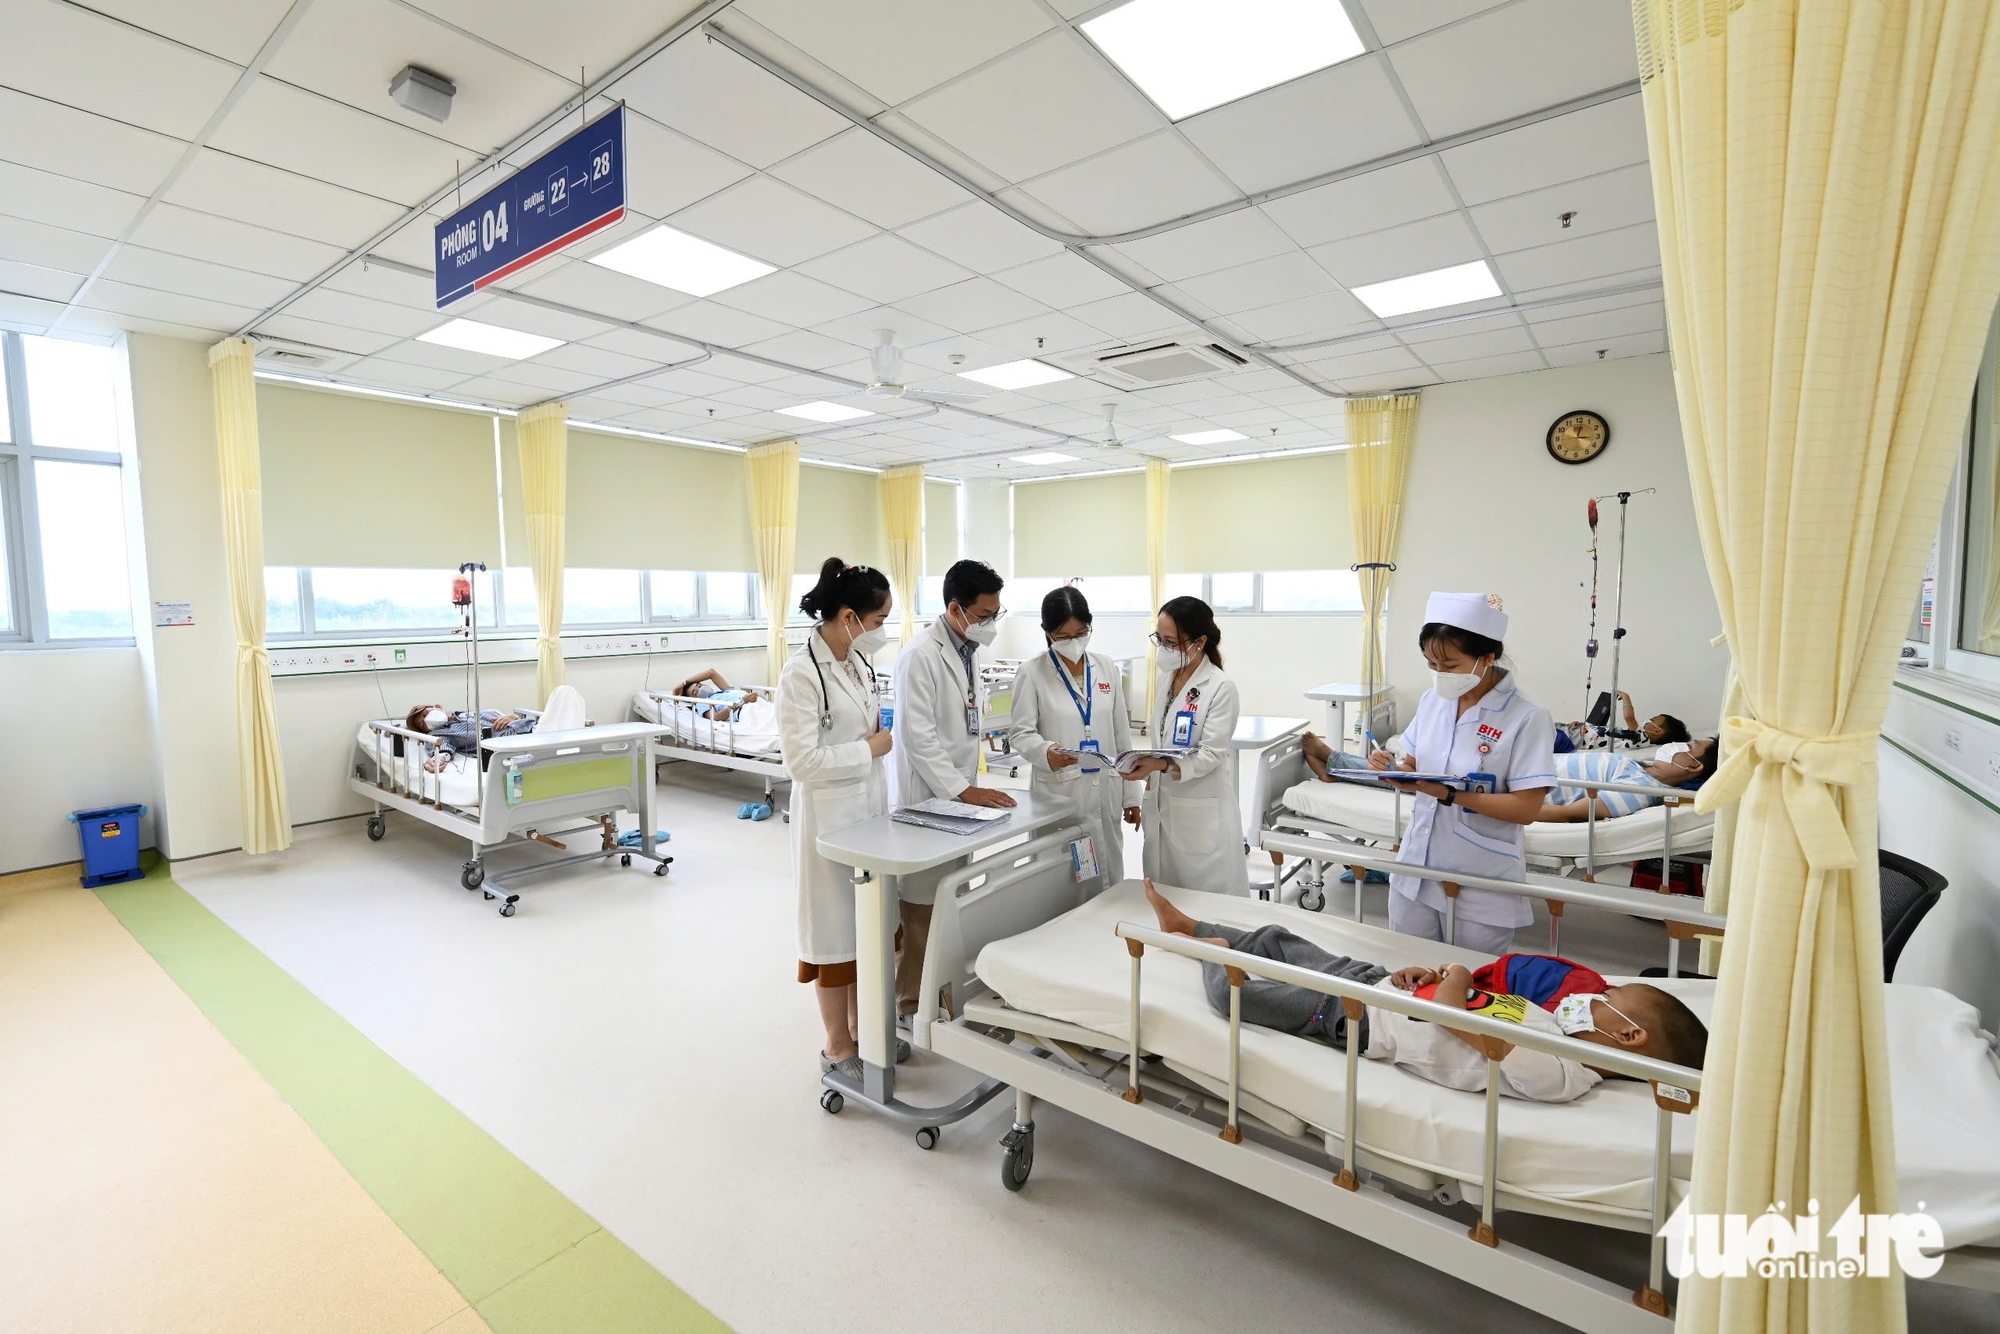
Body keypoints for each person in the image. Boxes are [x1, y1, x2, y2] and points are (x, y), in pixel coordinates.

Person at [1145, 881, 1708, 1101]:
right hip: (1384, 990)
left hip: (1361, 1023)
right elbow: (1475, 1002)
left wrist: (1453, 981)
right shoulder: (1557, 1026)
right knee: (1281, 939)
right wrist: (1433, 976)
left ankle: (1209, 952)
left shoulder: (1561, 1072)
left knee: (1238, 997)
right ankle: (1190, 928)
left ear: (1628, 1035)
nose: (1598, 994)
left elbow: (1456, 1018)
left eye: (1614, 999)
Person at [1371, 593, 1557, 953]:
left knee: (1468, 985)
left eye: (1450, 665)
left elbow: (1527, 808)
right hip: (1417, 866)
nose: (1439, 674)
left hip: (1480, 875)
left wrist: (1449, 794)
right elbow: (1416, 768)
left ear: (1486, 659)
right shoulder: (1432, 701)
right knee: (1406, 971)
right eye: (1431, 664)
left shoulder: (1527, 716)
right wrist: (1393, 769)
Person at [780, 558, 897, 1082]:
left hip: (867, 811)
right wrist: (867, 749)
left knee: (866, 928)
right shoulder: (801, 675)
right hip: (828, 819)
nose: (880, 633)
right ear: (849, 616)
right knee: (834, 937)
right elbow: (801, 763)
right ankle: (836, 1046)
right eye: (877, 623)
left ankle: (863, 1030)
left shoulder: (855, 661)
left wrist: (869, 752)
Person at [893, 558, 1017, 1020]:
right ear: (955, 608)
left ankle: (941, 992)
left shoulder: (968, 647)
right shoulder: (920, 654)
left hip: (959, 789)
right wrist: (962, 791)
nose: (991, 624)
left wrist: (968, 787)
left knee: (951, 897)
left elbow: (965, 717)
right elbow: (917, 736)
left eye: (995, 614)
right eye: (985, 615)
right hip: (927, 795)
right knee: (922, 906)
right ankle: (908, 1005)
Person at [1008, 586, 1142, 877]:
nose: (1074, 641)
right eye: (1064, 636)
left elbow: (1122, 735)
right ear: (1047, 632)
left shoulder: (1106, 667)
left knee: (1107, 872)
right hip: (1060, 791)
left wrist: (1131, 797)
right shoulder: (1031, 673)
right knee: (1063, 881)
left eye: (1081, 633)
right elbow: (1020, 733)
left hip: (1105, 788)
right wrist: (1045, 752)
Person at [1126, 596, 1248, 896]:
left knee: (1205, 903)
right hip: (1162, 801)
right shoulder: (1168, 678)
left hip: (1199, 810)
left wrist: (1162, 765)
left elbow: (1211, 754)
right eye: (1160, 639)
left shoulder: (1219, 687)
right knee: (1165, 893)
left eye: (1171, 642)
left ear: (1200, 641)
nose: (1164, 649)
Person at [1537, 738, 1718, 821]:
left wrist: (1516, 811)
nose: (1675, 744)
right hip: (1534, 762)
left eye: (1688, 746)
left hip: (1527, 782)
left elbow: (1570, 813)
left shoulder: (1641, 790)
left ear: (1693, 766)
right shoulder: (1644, 768)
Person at [404, 703, 534, 771]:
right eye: (423, 724)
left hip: (534, 728)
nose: (427, 719)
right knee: (556, 695)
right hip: (519, 744)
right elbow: (443, 750)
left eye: (426, 713)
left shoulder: (474, 713)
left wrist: (513, 716)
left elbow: (509, 719)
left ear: (438, 707)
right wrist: (436, 762)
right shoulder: (439, 734)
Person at [673, 668, 763, 720]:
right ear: (693, 701)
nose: (698, 689)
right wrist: (742, 701)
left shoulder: (724, 691)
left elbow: (711, 672)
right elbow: (715, 717)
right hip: (745, 710)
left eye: (699, 685)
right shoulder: (702, 703)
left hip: (759, 704)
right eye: (694, 692)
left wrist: (683, 683)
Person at [1618, 692, 1691, 746]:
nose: (1647, 720)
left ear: (1657, 731)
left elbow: (1628, 717)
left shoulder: (1642, 739)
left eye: (1652, 720)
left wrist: (1625, 696)